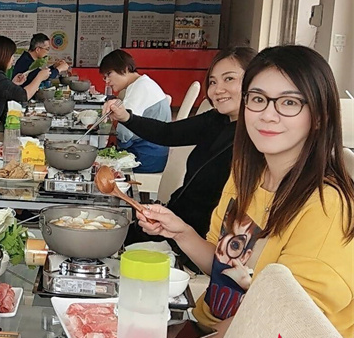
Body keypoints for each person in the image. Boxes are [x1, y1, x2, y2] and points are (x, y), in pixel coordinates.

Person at [138, 45, 354, 338]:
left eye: (289, 102)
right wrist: (181, 232)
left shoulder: (327, 206)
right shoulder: (245, 177)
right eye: (258, 99)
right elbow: (224, 269)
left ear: (319, 116)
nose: (268, 115)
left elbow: (283, 320)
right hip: (209, 330)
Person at [103, 47, 257, 244]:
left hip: (199, 239)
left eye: (229, 79)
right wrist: (127, 117)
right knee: (108, 235)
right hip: (175, 221)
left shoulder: (255, 141)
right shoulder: (218, 119)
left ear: (256, 81)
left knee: (110, 241)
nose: (218, 89)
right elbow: (168, 133)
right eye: (213, 81)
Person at [0, 36, 51, 151]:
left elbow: (1, 91)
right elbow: (24, 95)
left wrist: (13, 84)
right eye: (11, 56)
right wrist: (40, 77)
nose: (13, 59)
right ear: (3, 57)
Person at [99, 49, 170, 173]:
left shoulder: (140, 87)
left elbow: (124, 134)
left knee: (96, 164)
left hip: (146, 157)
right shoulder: (142, 83)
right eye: (105, 77)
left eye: (109, 74)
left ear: (125, 69)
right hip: (152, 153)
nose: (107, 81)